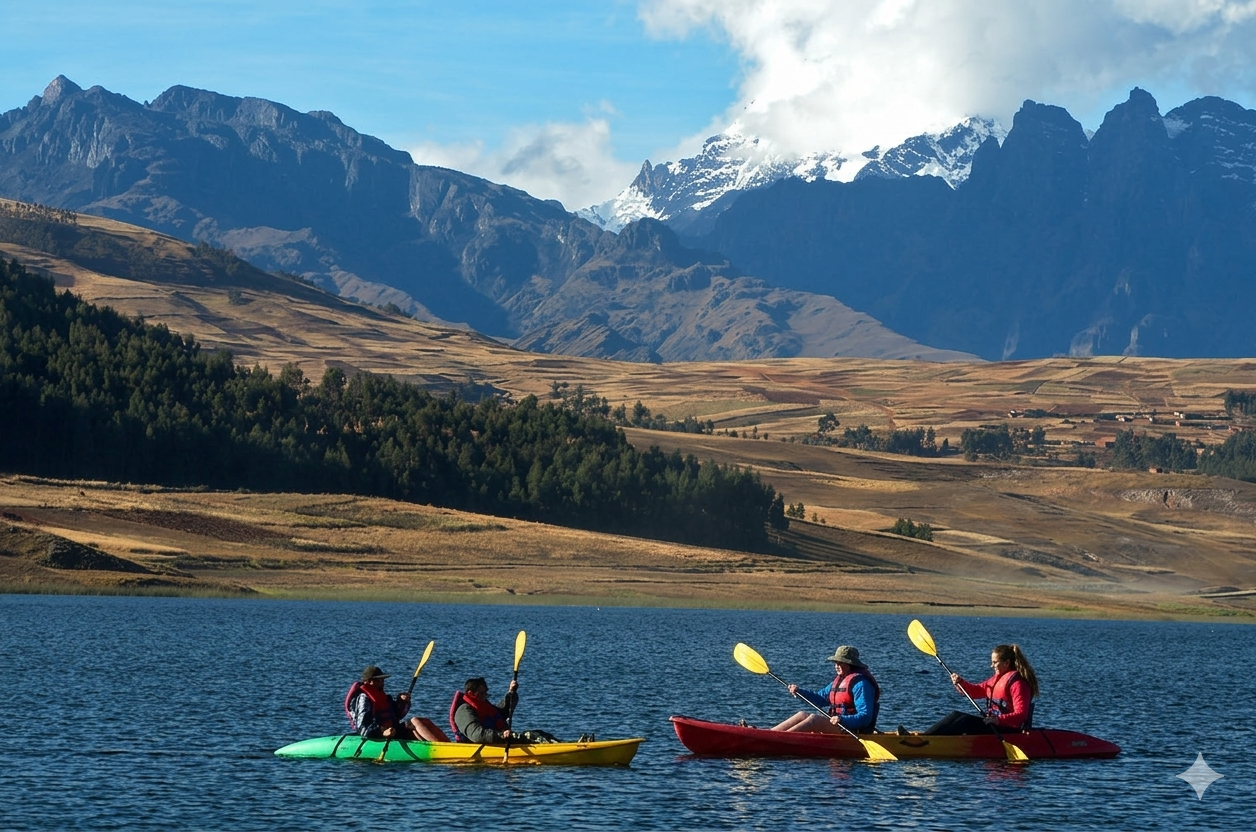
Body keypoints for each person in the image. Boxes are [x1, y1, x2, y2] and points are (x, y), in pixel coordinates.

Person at [924, 643, 1039, 735]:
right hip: (994, 726)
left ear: (1006, 663)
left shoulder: (1018, 684)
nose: (991, 666)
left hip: (1010, 731)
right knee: (958, 718)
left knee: (961, 719)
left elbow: (1021, 715)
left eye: (995, 662)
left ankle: (926, 741)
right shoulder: (995, 680)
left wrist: (997, 720)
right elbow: (975, 691)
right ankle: (928, 737)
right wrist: (960, 683)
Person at [772, 645, 881, 734]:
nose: (836, 666)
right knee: (802, 715)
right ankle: (771, 733)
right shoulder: (839, 681)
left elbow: (865, 717)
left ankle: (776, 740)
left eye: (840, 663)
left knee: (814, 720)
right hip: (839, 725)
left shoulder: (861, 684)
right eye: (836, 663)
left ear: (850, 664)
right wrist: (799, 691)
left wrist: (842, 719)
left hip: (853, 730)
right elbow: (820, 698)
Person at [344, 665, 427, 740]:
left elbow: (398, 715)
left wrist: (402, 702)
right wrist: (382, 732)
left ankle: (437, 744)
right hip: (378, 735)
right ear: (369, 682)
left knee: (419, 721)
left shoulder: (383, 697)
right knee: (416, 722)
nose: (383, 682)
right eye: (379, 680)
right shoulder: (363, 699)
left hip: (393, 730)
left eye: (382, 680)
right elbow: (362, 727)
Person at [449, 676, 519, 743]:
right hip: (474, 748)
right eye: (482, 693)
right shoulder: (463, 711)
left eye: (486, 693)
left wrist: (511, 693)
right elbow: (476, 735)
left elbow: (503, 712)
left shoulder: (486, 706)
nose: (485, 696)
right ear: (471, 693)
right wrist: (501, 735)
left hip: (496, 743)